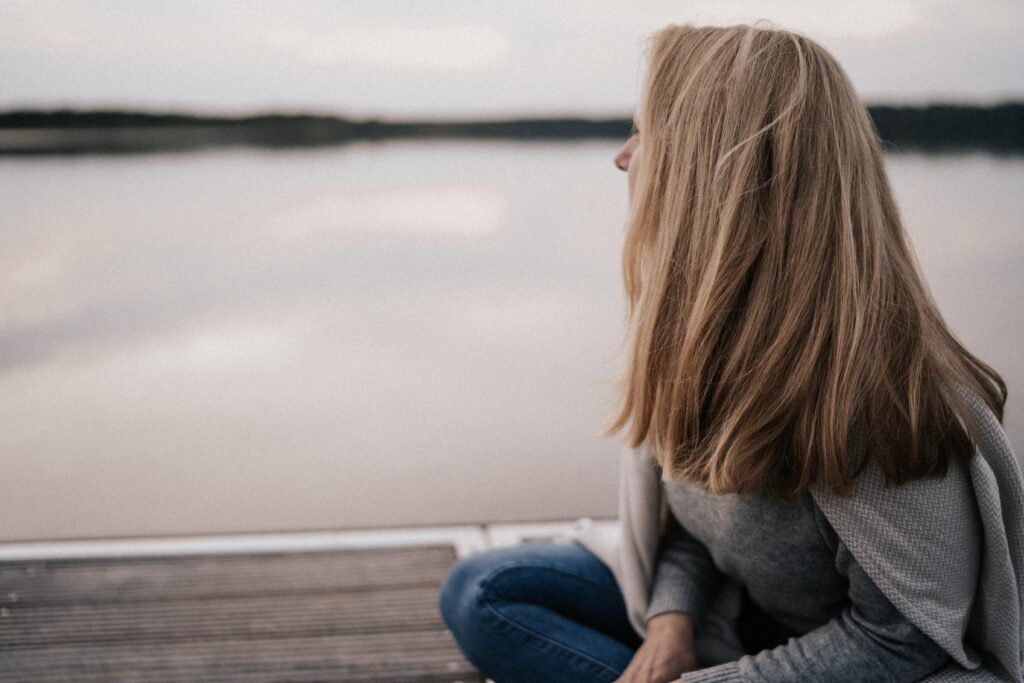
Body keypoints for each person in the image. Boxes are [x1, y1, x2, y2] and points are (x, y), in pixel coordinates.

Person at [438, 22, 1023, 683]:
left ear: (713, 170)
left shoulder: (879, 394)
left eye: (646, 133)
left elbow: (901, 642)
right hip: (738, 615)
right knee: (483, 591)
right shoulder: (702, 332)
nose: (624, 157)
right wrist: (671, 622)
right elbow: (693, 525)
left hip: (858, 659)